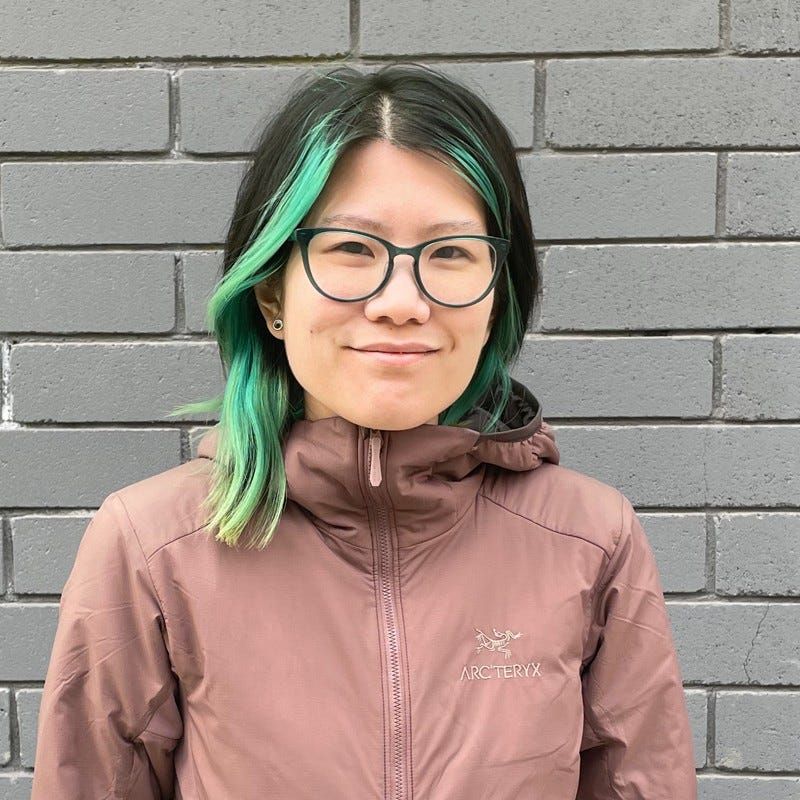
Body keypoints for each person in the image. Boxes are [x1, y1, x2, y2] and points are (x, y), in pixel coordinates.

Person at [30, 62, 697, 799]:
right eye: (351, 249)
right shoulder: (151, 548)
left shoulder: (590, 538)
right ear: (273, 294)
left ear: (495, 302)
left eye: (449, 254)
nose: (401, 301)